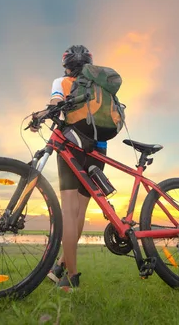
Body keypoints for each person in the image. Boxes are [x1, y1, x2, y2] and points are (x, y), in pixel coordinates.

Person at [30, 44, 113, 292]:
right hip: (99, 149)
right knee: (79, 215)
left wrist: (40, 115)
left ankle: (72, 277)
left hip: (73, 145)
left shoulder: (63, 81)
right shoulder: (98, 88)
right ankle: (60, 266)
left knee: (69, 212)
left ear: (66, 65)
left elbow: (56, 102)